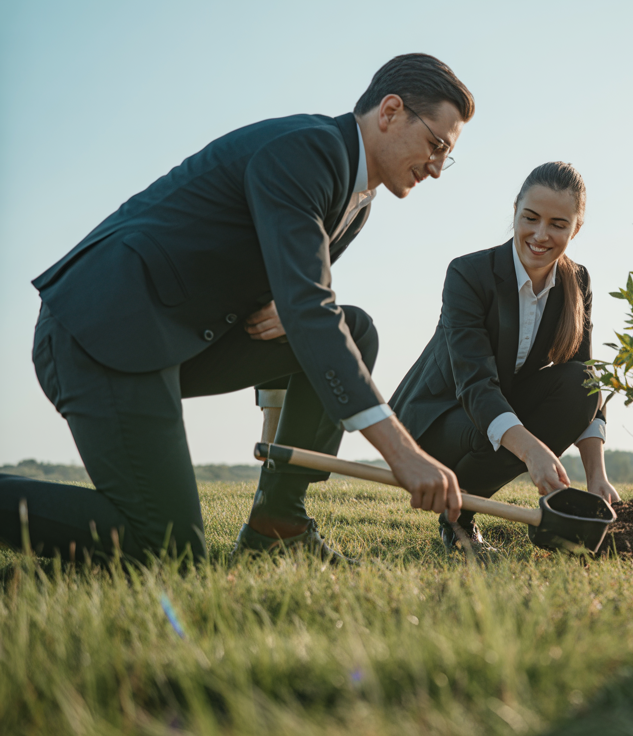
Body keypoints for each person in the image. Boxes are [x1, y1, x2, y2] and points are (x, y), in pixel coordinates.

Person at [1, 53, 473, 565]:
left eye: (446, 156)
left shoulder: (357, 203)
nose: (436, 167)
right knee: (170, 553)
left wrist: (288, 308)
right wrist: (401, 451)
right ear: (390, 111)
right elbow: (309, 307)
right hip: (101, 331)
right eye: (436, 144)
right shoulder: (307, 151)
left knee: (355, 330)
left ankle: (278, 524)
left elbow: (300, 310)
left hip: (176, 339)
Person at [389, 162, 618, 555]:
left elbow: (586, 380)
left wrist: (596, 474)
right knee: (491, 423)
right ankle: (457, 519)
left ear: (576, 228)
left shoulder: (577, 281)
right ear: (514, 211)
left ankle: (460, 506)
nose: (540, 235)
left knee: (580, 384)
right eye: (530, 218)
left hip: (497, 409)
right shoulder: (468, 274)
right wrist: (532, 450)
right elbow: (476, 385)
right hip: (434, 420)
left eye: (558, 224)